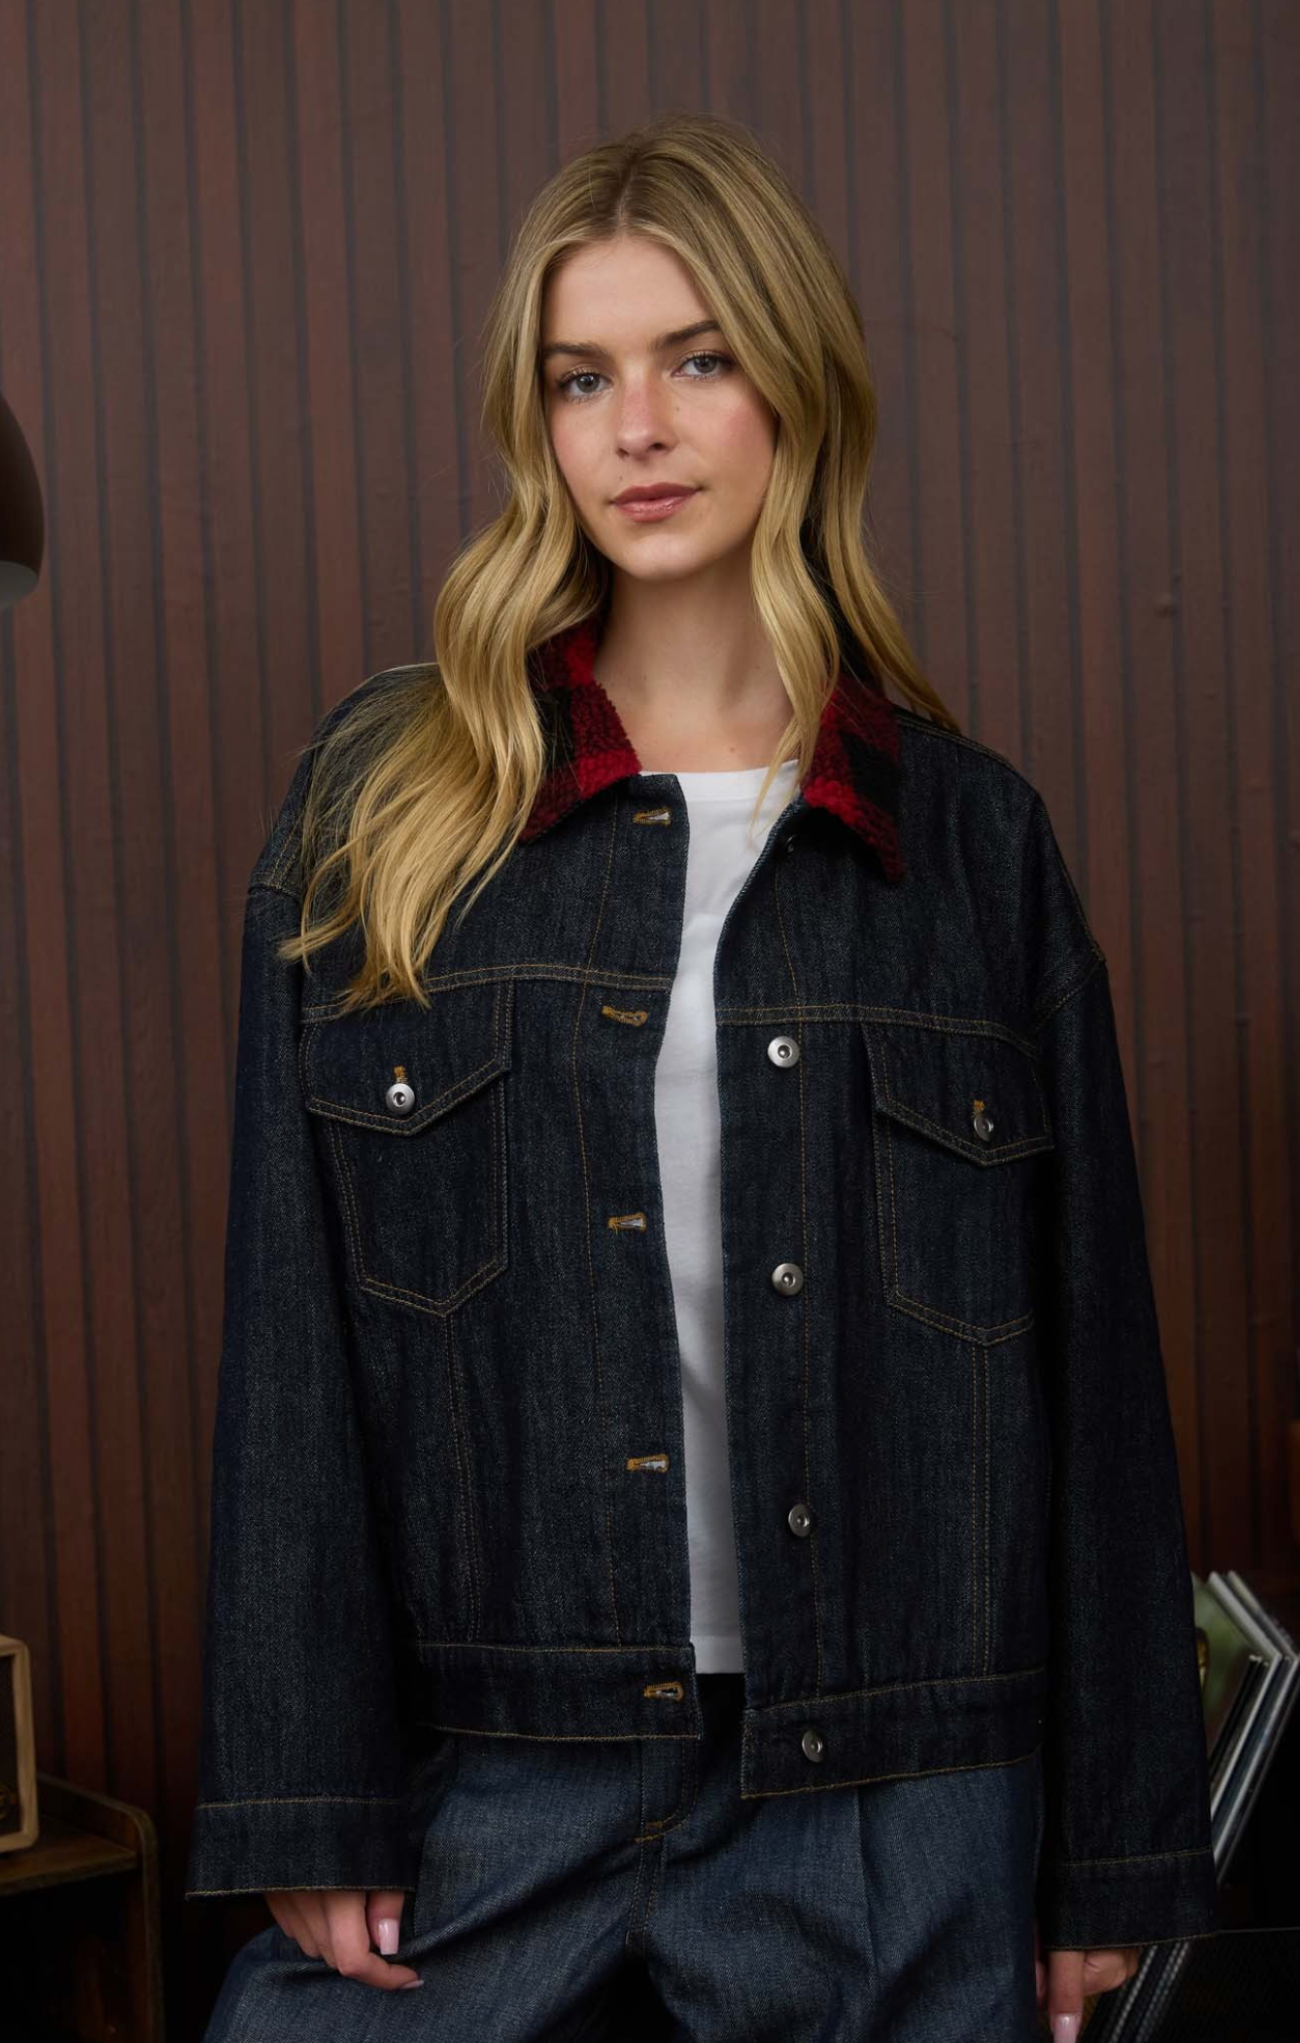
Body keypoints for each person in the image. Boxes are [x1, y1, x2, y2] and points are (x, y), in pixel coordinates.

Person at [186, 111, 1216, 2041]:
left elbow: (1097, 1386)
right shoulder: (386, 810)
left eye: (696, 358)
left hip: (908, 1789)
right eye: (583, 377)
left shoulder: (968, 846)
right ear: (537, 420)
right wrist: (300, 1786)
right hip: (508, 1774)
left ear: (797, 387)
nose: (636, 426)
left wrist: (1116, 1847)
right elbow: (292, 1342)